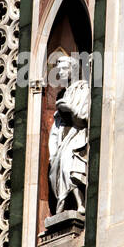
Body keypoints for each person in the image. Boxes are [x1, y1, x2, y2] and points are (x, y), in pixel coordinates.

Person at [47, 54, 90, 216]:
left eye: (64, 69)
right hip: (63, 137)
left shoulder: (83, 88)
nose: (61, 73)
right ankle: (62, 203)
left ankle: (78, 204)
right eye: (59, 70)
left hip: (77, 135)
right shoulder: (64, 94)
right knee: (57, 171)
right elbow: (56, 127)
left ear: (73, 69)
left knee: (69, 167)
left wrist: (69, 110)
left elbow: (84, 117)